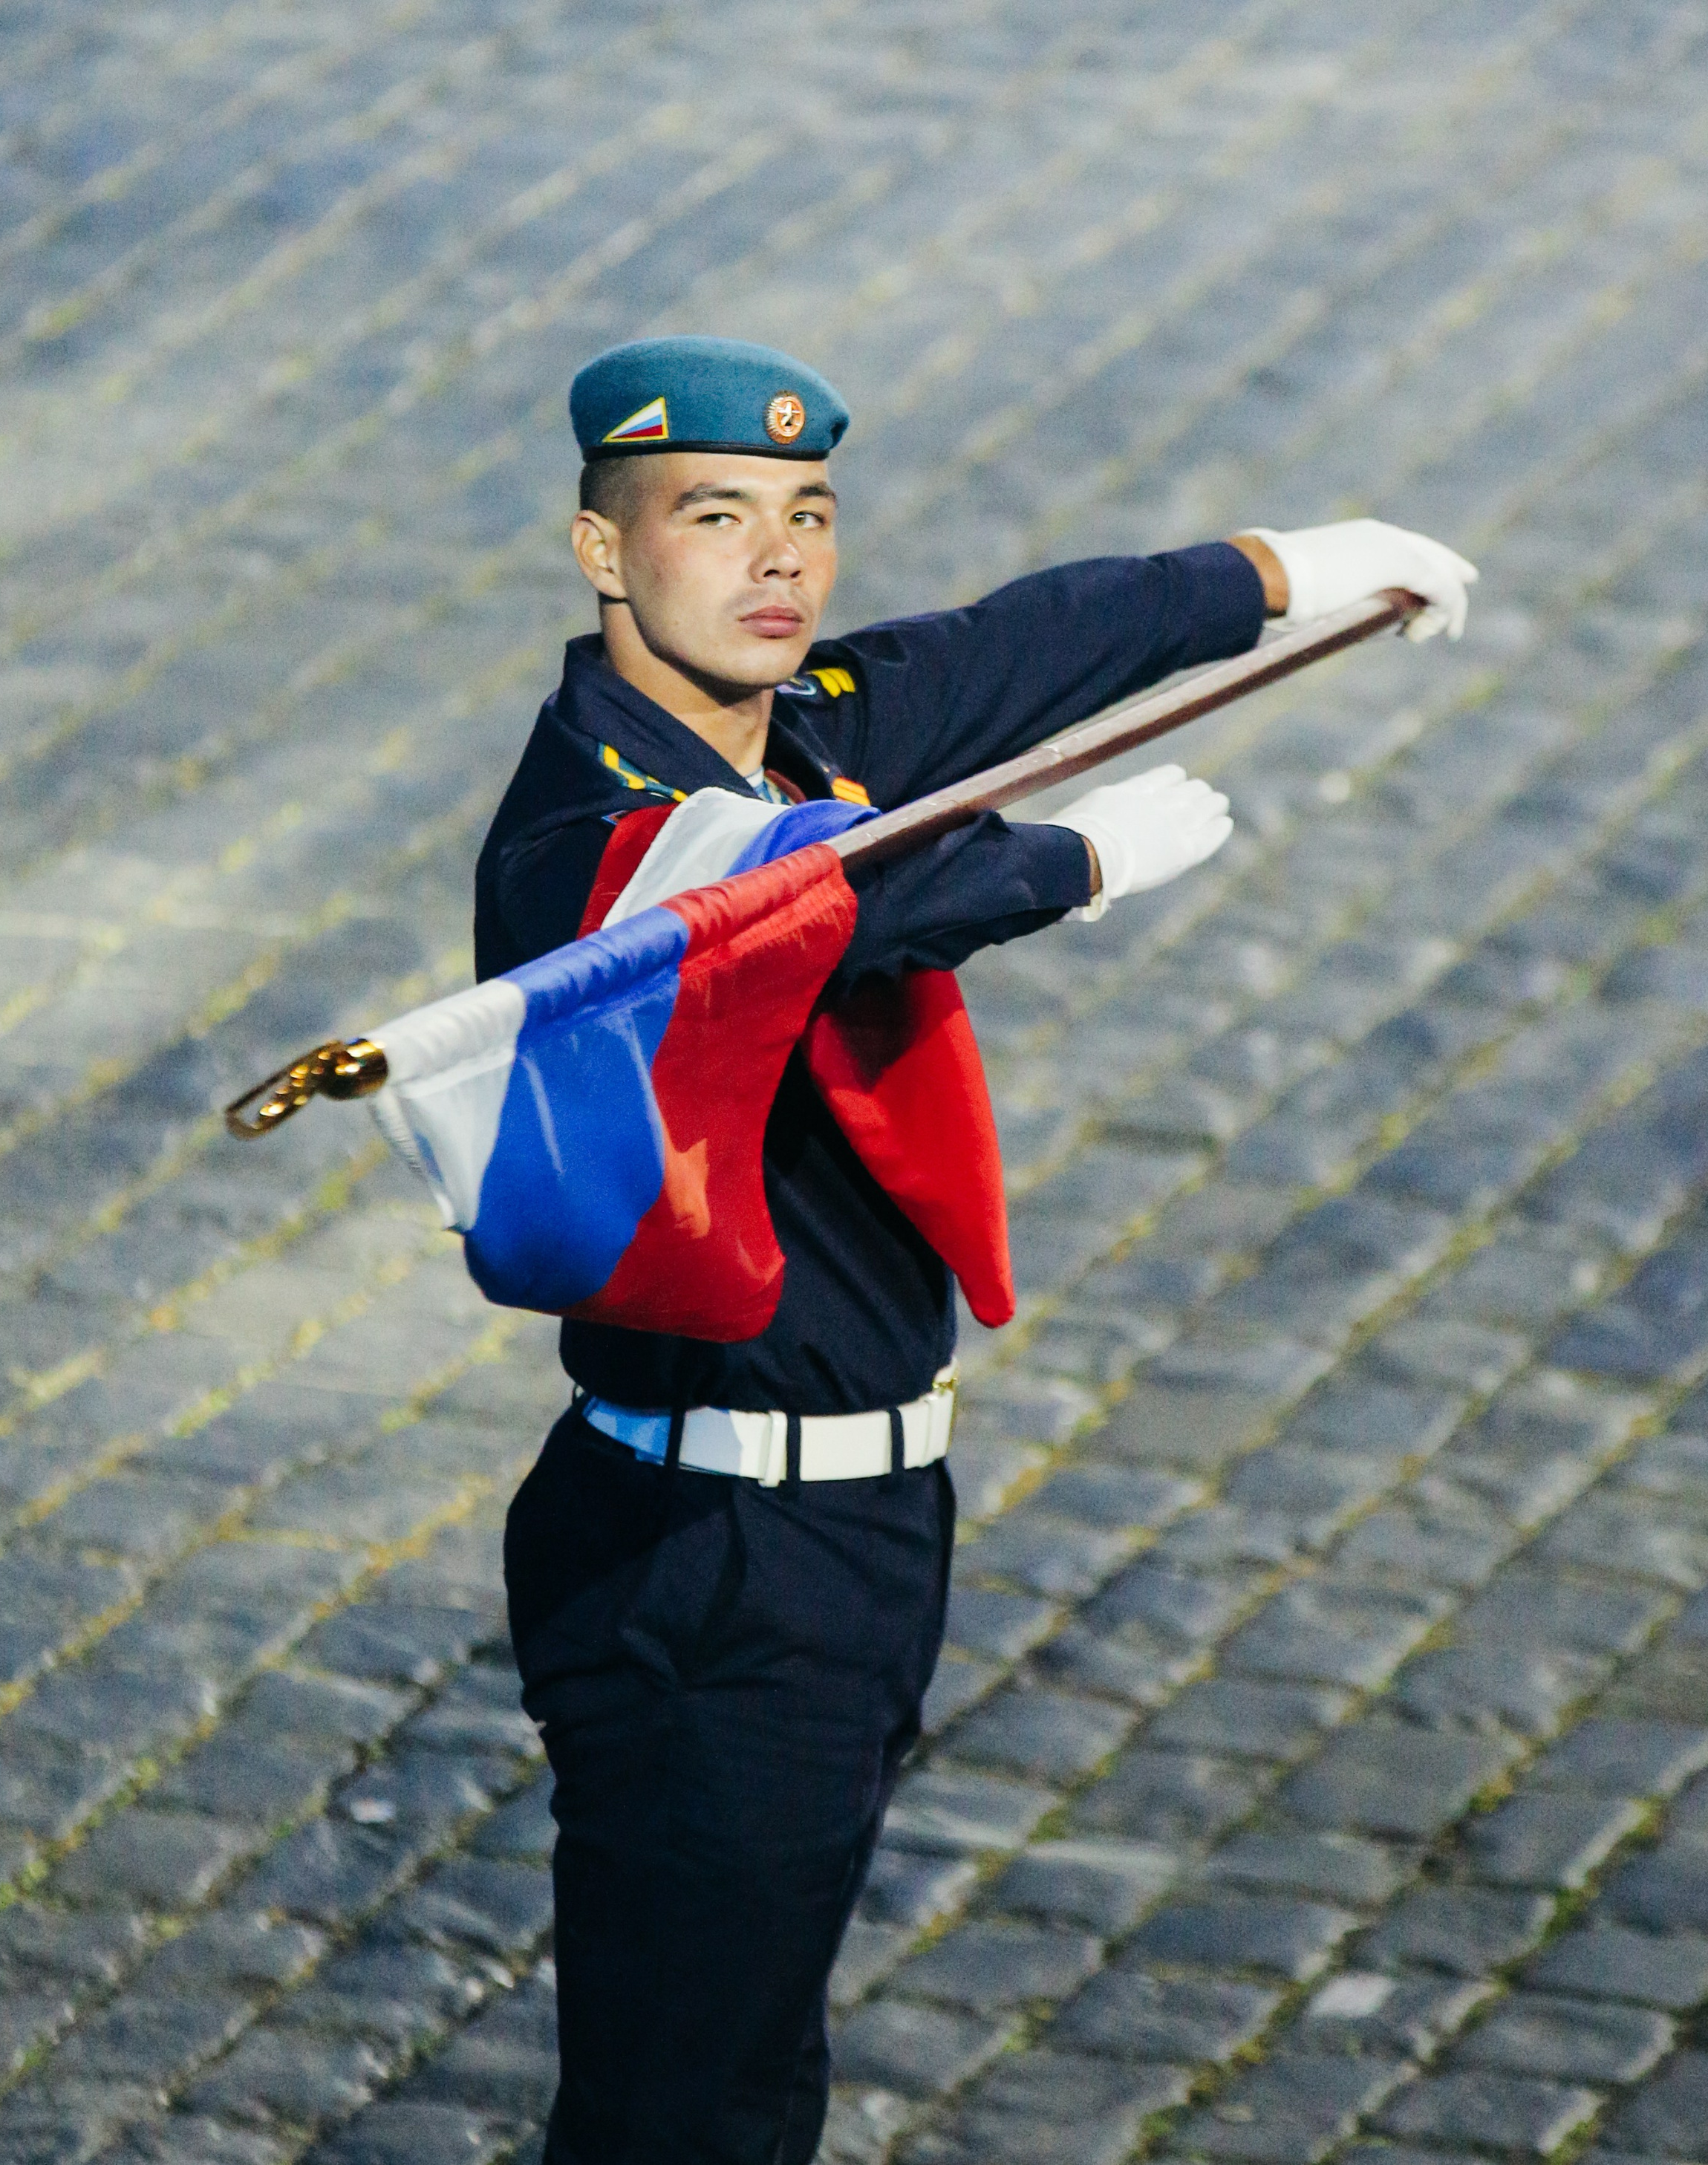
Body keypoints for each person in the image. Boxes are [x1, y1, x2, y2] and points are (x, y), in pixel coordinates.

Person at [475, 336, 1476, 2165]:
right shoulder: (583, 827)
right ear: (602, 555)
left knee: (758, 2067)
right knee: (678, 2102)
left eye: (807, 517)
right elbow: (766, 917)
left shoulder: (814, 726)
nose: (777, 560)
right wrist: (1057, 869)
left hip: (854, 1532)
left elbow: (1025, 642)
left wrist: (1285, 569)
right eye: (715, 518)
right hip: (709, 1561)